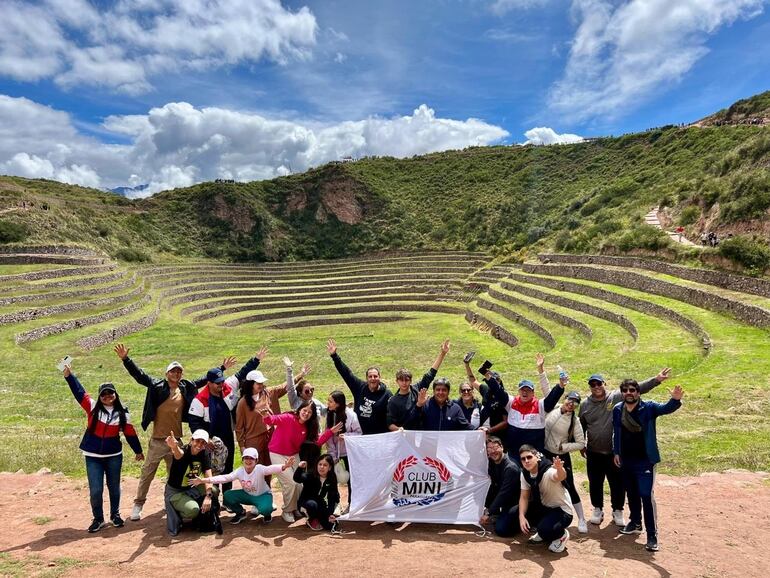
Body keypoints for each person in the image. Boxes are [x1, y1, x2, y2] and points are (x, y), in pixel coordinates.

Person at [114, 343, 239, 521]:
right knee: (147, 473)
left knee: (176, 475)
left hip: (177, 440)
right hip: (158, 440)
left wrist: (221, 369)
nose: (176, 374)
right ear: (167, 374)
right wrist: (126, 359)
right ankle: (138, 504)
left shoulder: (186, 387)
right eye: (173, 371)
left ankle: (175, 502)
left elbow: (205, 380)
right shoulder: (157, 385)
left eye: (179, 371)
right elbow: (140, 376)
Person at [579, 368, 670, 527]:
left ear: (604, 384)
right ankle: (597, 509)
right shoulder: (585, 405)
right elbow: (581, 426)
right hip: (593, 451)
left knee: (617, 483)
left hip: (614, 452)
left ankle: (618, 510)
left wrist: (656, 380)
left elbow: (637, 388)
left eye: (598, 383)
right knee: (595, 482)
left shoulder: (614, 397)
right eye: (592, 385)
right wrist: (581, 445)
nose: (596, 387)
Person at [63, 363, 144, 532]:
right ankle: (98, 518)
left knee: (114, 487)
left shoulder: (123, 413)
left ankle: (115, 515)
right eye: (104, 394)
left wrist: (138, 451)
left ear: (115, 394)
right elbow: (79, 392)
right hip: (92, 455)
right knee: (96, 489)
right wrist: (69, 376)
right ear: (99, 396)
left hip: (114, 455)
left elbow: (130, 433)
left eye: (110, 393)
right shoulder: (92, 407)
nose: (107, 396)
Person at [614, 380, 684, 552]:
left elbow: (666, 409)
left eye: (632, 390)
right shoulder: (617, 409)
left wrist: (675, 400)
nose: (628, 393)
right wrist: (616, 452)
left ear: (638, 392)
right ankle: (635, 522)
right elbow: (616, 431)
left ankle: (652, 535)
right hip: (625, 460)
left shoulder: (649, 407)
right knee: (631, 493)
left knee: (646, 495)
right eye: (625, 390)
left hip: (645, 460)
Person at [189, 356, 262, 493]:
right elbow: (194, 423)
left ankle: (227, 496)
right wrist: (206, 440)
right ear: (209, 383)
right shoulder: (199, 400)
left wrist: (256, 360)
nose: (221, 385)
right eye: (217, 383)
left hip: (227, 434)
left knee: (228, 467)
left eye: (221, 381)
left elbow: (242, 373)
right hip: (211, 440)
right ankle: (213, 497)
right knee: (212, 468)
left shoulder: (227, 386)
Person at [262, 400, 342, 523]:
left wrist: (330, 432)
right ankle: (287, 510)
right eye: (304, 410)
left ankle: (296, 508)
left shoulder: (308, 427)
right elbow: (272, 420)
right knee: (291, 483)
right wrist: (266, 417)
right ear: (299, 410)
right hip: (277, 454)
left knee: (300, 483)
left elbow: (317, 442)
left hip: (293, 455)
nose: (306, 413)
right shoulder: (288, 418)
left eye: (309, 412)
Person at [235, 359, 307, 480]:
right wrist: (242, 446)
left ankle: (267, 491)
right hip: (253, 440)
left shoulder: (267, 393)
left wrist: (300, 375)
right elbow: (239, 427)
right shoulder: (243, 403)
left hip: (270, 437)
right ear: (250, 384)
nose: (261, 385)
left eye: (262, 383)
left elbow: (285, 387)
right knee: (256, 469)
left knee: (268, 468)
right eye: (258, 383)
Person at [484, 353, 565, 460]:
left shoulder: (540, 405)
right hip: (514, 454)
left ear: (533, 392)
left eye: (528, 390)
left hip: (534, 456)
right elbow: (499, 392)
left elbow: (552, 398)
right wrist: (488, 377)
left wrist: (560, 386)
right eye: (522, 389)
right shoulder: (511, 402)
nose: (525, 392)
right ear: (519, 391)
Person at [192, 448, 296, 525]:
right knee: (228, 495)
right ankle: (240, 512)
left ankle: (267, 512)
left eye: (252, 458)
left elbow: (271, 469)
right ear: (242, 459)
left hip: (262, 495)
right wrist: (204, 480)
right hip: (247, 495)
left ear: (256, 461)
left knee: (265, 509)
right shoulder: (240, 471)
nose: (248, 460)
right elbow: (225, 478)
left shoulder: (259, 469)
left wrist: (284, 466)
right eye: (246, 458)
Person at [327, 338, 392, 434]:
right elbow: (347, 374)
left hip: (378, 437)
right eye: (370, 376)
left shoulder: (387, 394)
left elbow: (392, 415)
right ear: (366, 378)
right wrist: (334, 356)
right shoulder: (360, 387)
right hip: (359, 436)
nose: (373, 378)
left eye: (375, 376)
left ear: (379, 377)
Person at [164, 429, 221, 537]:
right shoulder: (183, 451)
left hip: (192, 487)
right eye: (197, 441)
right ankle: (178, 511)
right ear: (191, 440)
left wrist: (208, 497)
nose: (199, 444)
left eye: (203, 442)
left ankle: (207, 511)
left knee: (213, 490)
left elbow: (208, 476)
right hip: (176, 492)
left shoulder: (204, 454)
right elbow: (178, 454)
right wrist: (174, 447)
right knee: (193, 510)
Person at [544, 391, 587, 533]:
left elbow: (581, 443)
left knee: (569, 486)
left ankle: (581, 518)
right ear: (565, 399)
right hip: (545, 453)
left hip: (560, 456)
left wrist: (563, 447)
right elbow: (548, 389)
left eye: (575, 402)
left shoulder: (575, 421)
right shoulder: (554, 407)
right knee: (544, 485)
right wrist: (541, 370)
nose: (571, 404)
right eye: (570, 400)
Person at [518, 445, 573, 553]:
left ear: (537, 457)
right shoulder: (525, 473)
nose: (526, 461)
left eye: (529, 457)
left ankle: (561, 535)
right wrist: (521, 516)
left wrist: (559, 468)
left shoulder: (548, 471)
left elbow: (559, 476)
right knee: (518, 512)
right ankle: (543, 530)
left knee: (544, 529)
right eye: (523, 459)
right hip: (544, 506)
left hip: (562, 511)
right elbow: (524, 497)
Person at [386, 340, 450, 430]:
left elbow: (430, 374)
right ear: (397, 381)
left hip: (423, 433)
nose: (404, 383)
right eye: (401, 380)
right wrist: (399, 430)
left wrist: (442, 354)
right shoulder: (393, 401)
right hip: (405, 437)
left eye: (407, 380)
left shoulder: (418, 389)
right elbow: (390, 424)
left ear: (411, 380)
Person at [325, 390, 362, 512]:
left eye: (331, 401)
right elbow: (328, 436)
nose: (328, 403)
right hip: (334, 452)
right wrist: (333, 455)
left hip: (349, 453)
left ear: (338, 403)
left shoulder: (351, 415)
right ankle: (335, 503)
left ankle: (352, 504)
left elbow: (358, 433)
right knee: (331, 478)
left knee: (352, 479)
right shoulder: (329, 414)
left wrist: (347, 436)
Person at [481, 436, 522, 537]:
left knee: (502, 530)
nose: (493, 452)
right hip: (504, 499)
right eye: (489, 449)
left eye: (495, 448)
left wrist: (488, 512)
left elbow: (504, 493)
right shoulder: (491, 462)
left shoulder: (510, 468)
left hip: (516, 502)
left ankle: (525, 520)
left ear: (502, 447)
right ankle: (498, 514)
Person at [294, 454, 341, 531]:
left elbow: (331, 497)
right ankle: (311, 519)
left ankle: (318, 518)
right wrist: (300, 468)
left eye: (325, 465)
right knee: (312, 505)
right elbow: (297, 479)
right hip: (306, 503)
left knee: (330, 526)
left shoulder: (332, 478)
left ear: (330, 468)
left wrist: (330, 514)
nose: (322, 467)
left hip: (320, 503)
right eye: (320, 464)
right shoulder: (311, 475)